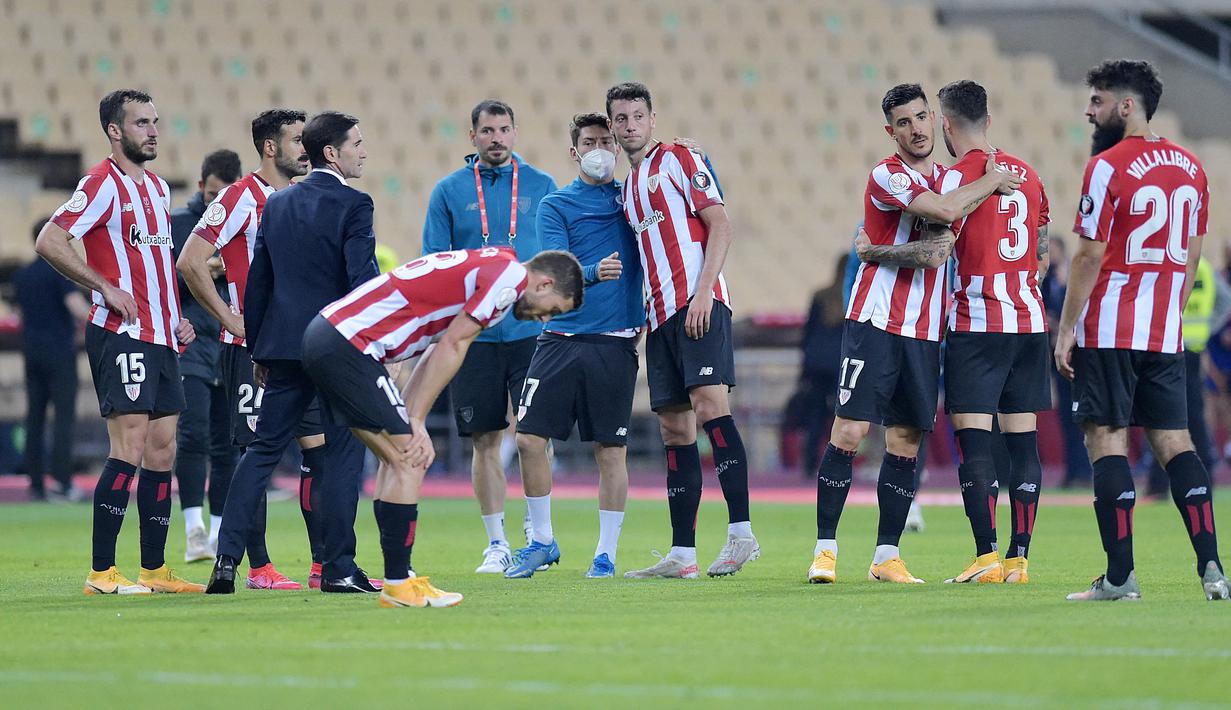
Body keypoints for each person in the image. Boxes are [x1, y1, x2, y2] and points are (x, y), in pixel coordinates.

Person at [809, 83, 1020, 585]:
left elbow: (939, 251)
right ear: (892, 131)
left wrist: (875, 251)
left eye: (922, 117)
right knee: (850, 431)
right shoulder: (888, 175)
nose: (916, 129)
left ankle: (887, 556)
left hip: (925, 330)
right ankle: (824, 550)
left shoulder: (951, 180)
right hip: (875, 321)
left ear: (934, 120)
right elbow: (945, 215)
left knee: (905, 440)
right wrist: (991, 180)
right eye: (903, 122)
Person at [301, 247, 583, 606]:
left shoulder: (494, 264)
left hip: (328, 335)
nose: (544, 319)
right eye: (552, 310)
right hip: (351, 344)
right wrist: (416, 419)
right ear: (544, 283)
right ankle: (399, 584)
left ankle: (399, 581)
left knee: (396, 459)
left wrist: (411, 413)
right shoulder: (509, 279)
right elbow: (454, 343)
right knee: (411, 457)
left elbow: (437, 346)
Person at [1056, 59, 1227, 601]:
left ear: (1126, 106)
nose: (1090, 111)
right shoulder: (1192, 168)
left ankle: (1120, 578)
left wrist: (1066, 329)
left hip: (1109, 328)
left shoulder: (1106, 166)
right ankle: (1213, 570)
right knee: (1176, 442)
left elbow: (1087, 256)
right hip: (1163, 331)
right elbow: (1192, 257)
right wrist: (1167, 313)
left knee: (1106, 440)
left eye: (1098, 100)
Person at [36, 89, 202, 594]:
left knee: (162, 449)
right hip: (121, 333)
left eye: (155, 121)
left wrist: (176, 316)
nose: (152, 131)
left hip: (162, 334)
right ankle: (102, 571)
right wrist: (104, 287)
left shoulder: (158, 188)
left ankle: (154, 569)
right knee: (128, 445)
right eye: (140, 123)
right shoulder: (100, 184)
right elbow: (50, 239)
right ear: (114, 130)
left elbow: (156, 265)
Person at [205, 111, 378, 594]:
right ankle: (338, 568)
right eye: (357, 144)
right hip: (335, 348)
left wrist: (259, 349)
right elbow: (361, 282)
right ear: (332, 153)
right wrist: (374, 345)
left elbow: (259, 282)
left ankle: (226, 562)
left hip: (282, 349)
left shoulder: (277, 204)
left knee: (261, 452)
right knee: (341, 456)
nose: (363, 152)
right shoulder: (355, 204)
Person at [606, 81, 755, 579]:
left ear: (652, 120)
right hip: (660, 317)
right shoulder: (628, 189)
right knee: (674, 428)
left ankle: (741, 534)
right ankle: (683, 554)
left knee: (711, 407)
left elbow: (721, 224)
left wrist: (705, 292)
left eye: (638, 116)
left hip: (698, 305)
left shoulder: (679, 158)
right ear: (613, 127)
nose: (630, 125)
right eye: (621, 118)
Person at [178, 109, 328, 591]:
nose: (306, 148)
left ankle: (323, 564)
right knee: (254, 454)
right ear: (270, 147)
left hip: (301, 350)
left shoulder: (303, 197)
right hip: (251, 351)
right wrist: (231, 319)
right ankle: (259, 567)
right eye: (297, 140)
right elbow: (190, 261)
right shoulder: (238, 197)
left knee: (318, 453)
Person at [421, 100, 558, 574]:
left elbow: (557, 255)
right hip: (474, 334)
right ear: (472, 136)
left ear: (515, 133)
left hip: (530, 331)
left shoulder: (542, 185)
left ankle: (538, 532)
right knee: (484, 440)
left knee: (535, 435)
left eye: (503, 130)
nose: (496, 138)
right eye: (487, 131)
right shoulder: (448, 191)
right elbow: (434, 262)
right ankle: (496, 543)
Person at [502, 113, 640, 579]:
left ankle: (606, 555)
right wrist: (594, 271)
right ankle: (542, 541)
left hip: (614, 340)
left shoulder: (632, 200)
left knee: (610, 451)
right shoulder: (556, 204)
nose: (599, 149)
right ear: (574, 151)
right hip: (561, 337)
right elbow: (553, 271)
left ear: (617, 147)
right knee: (528, 439)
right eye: (589, 142)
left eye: (606, 141)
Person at [929, 80, 1051, 584]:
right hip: (1029, 322)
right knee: (1023, 444)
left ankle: (986, 557)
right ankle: (1020, 560)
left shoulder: (955, 180)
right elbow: (1042, 251)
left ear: (947, 125)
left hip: (978, 324)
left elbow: (937, 249)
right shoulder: (1029, 174)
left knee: (975, 444)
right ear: (988, 121)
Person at [169, 149, 241, 562]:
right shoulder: (179, 225)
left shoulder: (245, 222)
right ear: (201, 187)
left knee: (228, 442)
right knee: (193, 434)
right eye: (213, 195)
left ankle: (217, 533)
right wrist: (200, 272)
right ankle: (193, 529)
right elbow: (164, 284)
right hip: (192, 342)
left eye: (225, 196)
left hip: (231, 344)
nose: (218, 204)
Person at [14, 218, 89, 501]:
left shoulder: (23, 275)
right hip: (59, 352)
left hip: (32, 352)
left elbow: (20, 315)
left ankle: (35, 484)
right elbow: (77, 309)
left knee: (34, 417)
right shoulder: (59, 273)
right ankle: (62, 482)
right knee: (63, 418)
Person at [1041, 237, 1093, 487]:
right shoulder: (1047, 281)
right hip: (1057, 355)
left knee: (1080, 414)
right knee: (1066, 416)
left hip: (1079, 354)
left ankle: (1084, 470)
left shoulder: (1073, 279)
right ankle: (1073, 471)